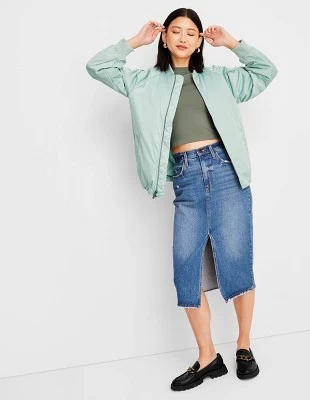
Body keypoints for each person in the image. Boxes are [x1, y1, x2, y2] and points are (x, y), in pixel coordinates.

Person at [86, 7, 278, 392]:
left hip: (225, 171)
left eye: (192, 32)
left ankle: (243, 345)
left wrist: (232, 43)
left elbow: (265, 71)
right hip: (187, 178)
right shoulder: (143, 82)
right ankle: (208, 357)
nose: (184, 38)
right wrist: (134, 41)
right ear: (164, 37)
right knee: (186, 270)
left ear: (200, 40)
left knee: (237, 260)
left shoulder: (220, 78)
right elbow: (98, 66)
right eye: (176, 31)